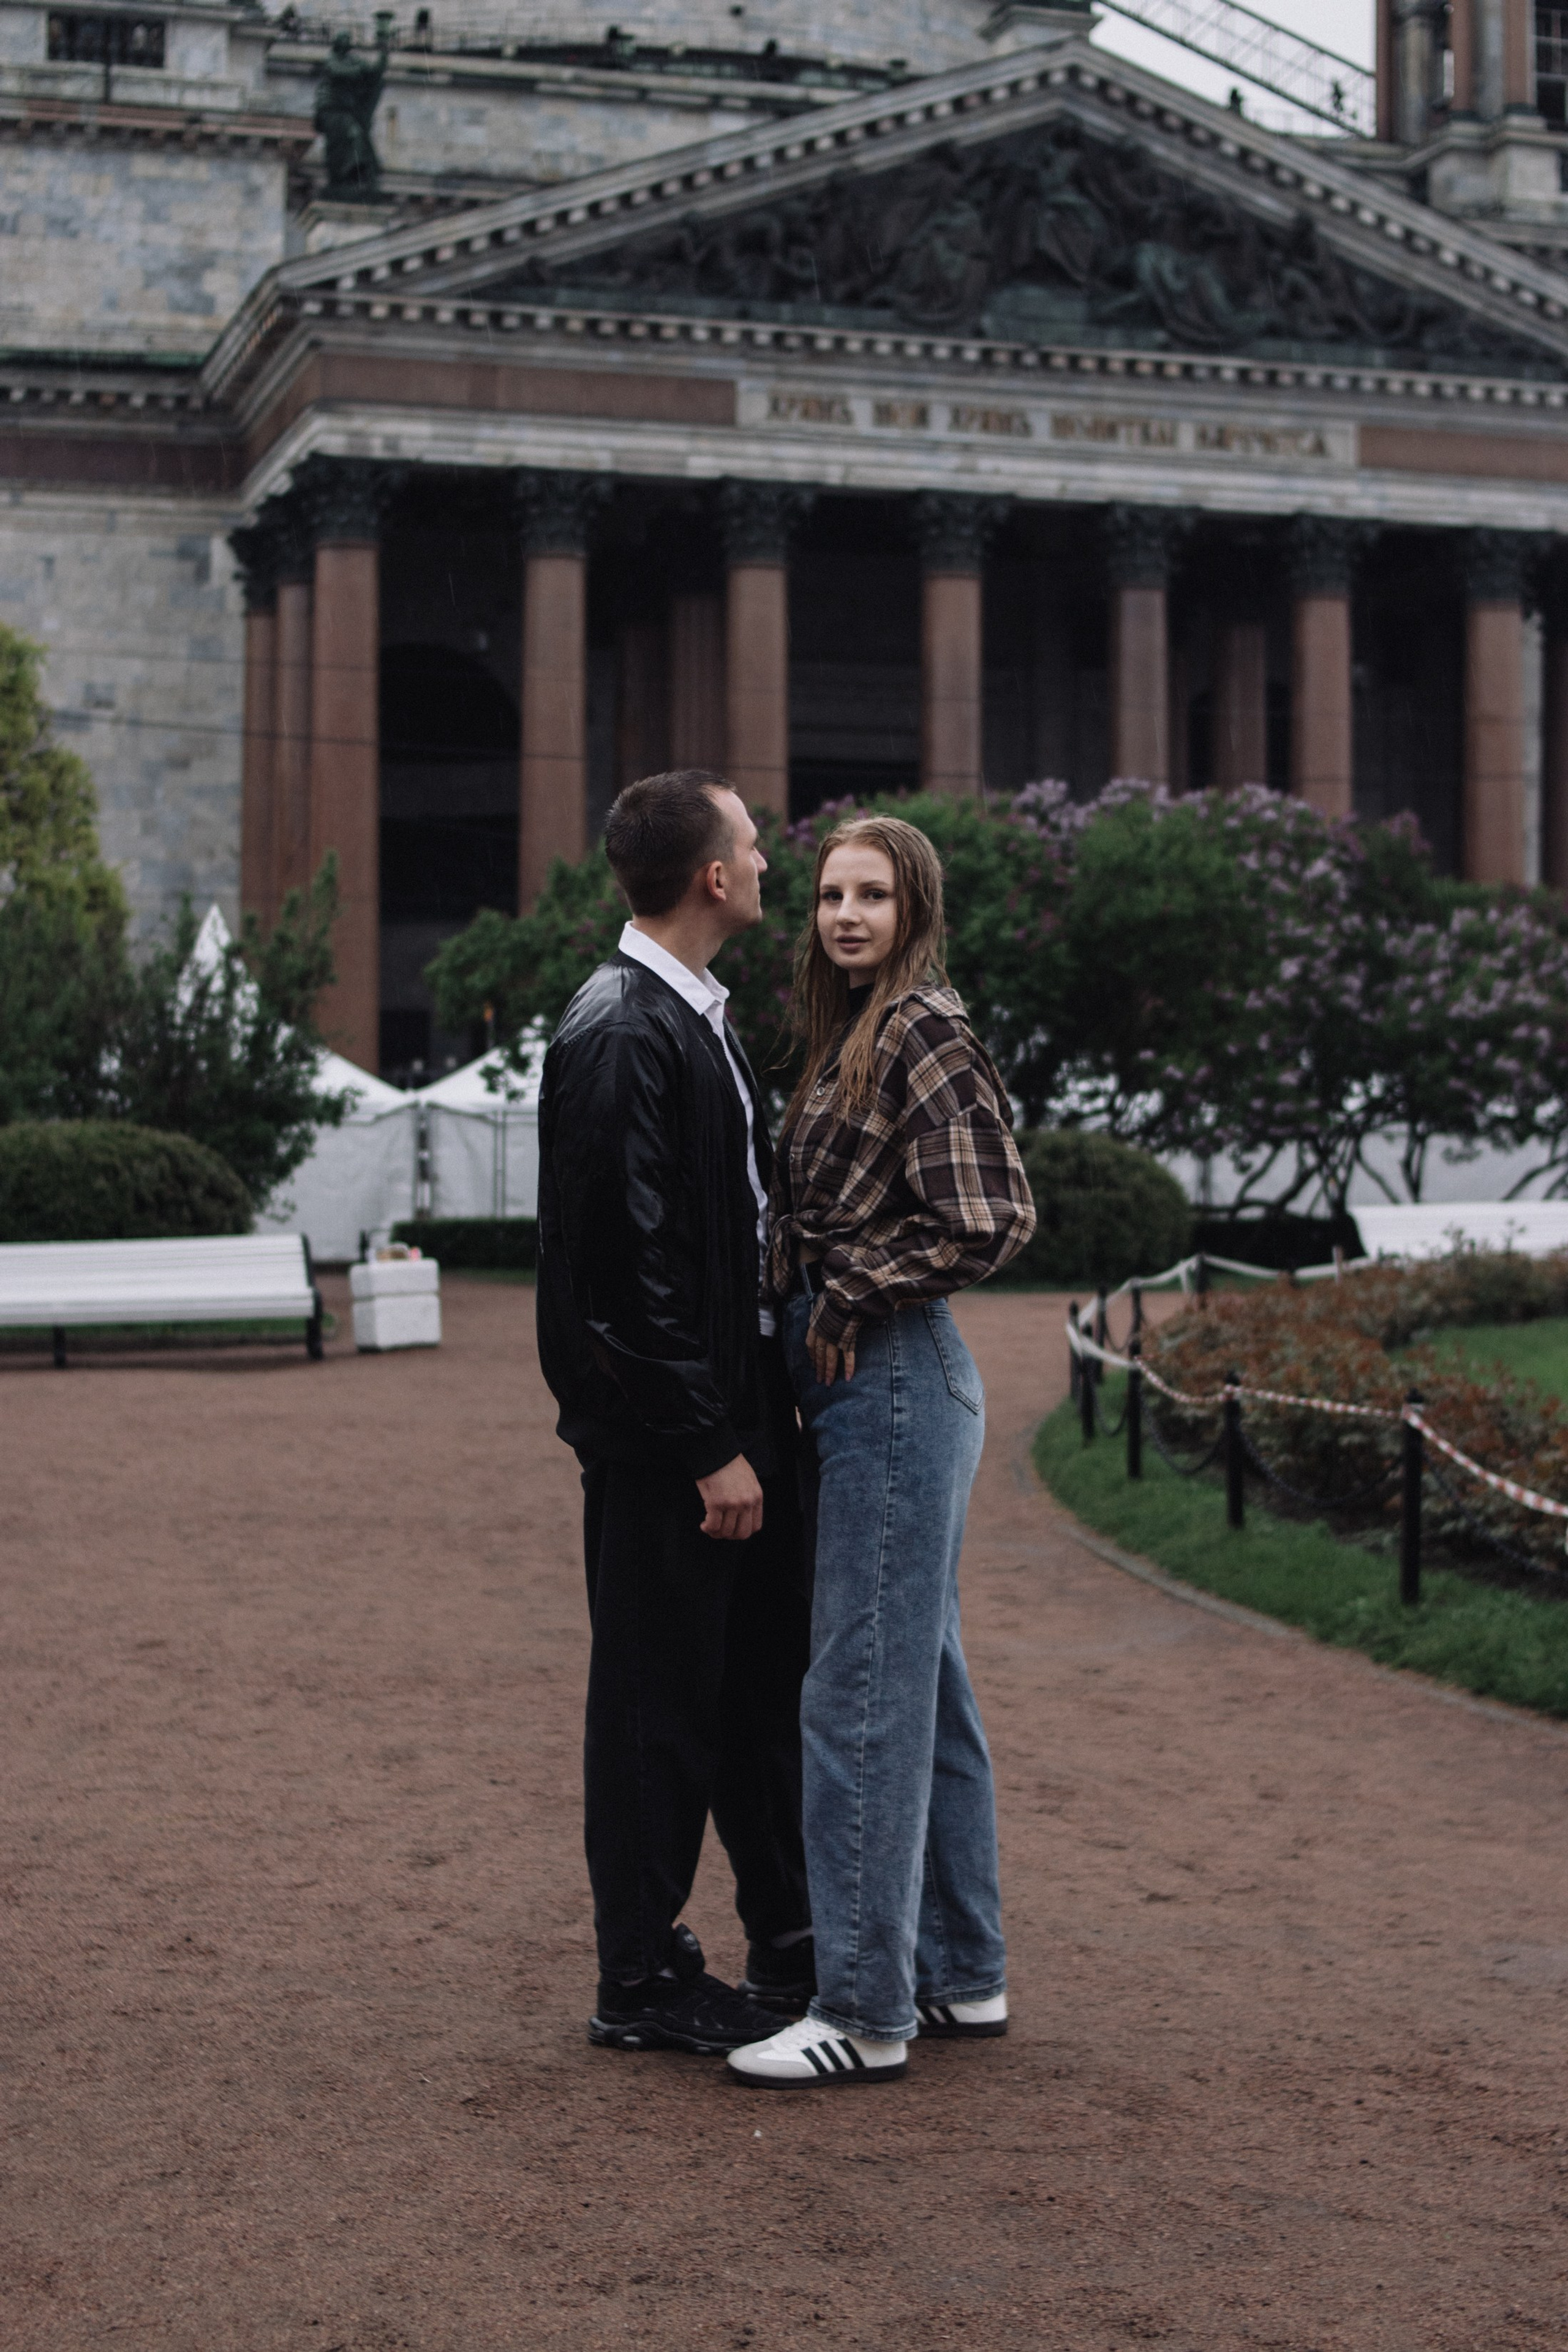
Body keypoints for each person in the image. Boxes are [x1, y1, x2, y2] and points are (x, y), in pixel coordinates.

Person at [726, 815, 1036, 2089]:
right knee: (926, 1688)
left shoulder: (919, 1028)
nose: (843, 914)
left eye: (870, 895)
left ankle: (863, 2007)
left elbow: (993, 1214)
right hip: (875, 1389)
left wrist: (849, 1294)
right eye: (826, 894)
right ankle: (962, 1973)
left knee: (855, 1691)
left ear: (914, 907)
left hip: (892, 1382)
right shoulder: (853, 1032)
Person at [536, 769, 813, 2056]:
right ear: (710, 877)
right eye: (752, 845)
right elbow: (618, 1275)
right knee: (656, 1703)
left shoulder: (685, 1015)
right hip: (673, 1441)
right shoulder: (620, 1026)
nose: (767, 862)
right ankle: (638, 1979)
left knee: (755, 1688)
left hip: (731, 1414)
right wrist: (707, 1444)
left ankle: (790, 1945)